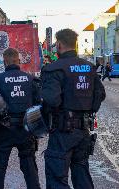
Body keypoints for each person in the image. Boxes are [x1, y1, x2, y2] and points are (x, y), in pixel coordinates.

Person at [41, 29, 106, 189]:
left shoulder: (54, 68)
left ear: (60, 44)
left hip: (62, 132)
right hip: (83, 132)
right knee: (82, 174)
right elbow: (100, 94)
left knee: (57, 178)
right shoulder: (89, 67)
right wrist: (87, 110)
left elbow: (52, 100)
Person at [0, 48, 41, 189]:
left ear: (4, 62)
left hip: (2, 131)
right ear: (18, 61)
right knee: (30, 171)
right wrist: (36, 129)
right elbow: (41, 105)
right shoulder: (31, 80)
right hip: (26, 130)